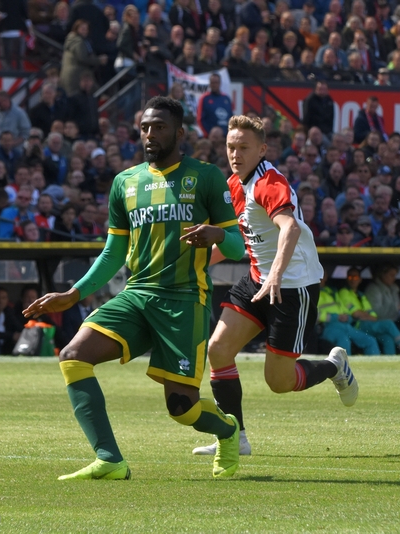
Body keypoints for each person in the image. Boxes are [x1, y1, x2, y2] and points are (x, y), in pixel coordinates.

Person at [23, 96, 245, 480]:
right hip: (137, 295)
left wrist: (215, 235)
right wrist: (73, 295)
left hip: (185, 300)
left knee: (182, 409)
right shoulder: (125, 182)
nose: (149, 134)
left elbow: (238, 246)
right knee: (73, 355)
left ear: (179, 132)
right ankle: (110, 459)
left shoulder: (206, 177)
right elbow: (113, 253)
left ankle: (227, 430)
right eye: (144, 127)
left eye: (158, 127)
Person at [188, 115, 356, 457]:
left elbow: (290, 228)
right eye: (231, 147)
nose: (235, 154)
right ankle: (234, 439)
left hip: (292, 286)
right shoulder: (235, 184)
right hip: (257, 279)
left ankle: (334, 367)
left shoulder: (268, 182)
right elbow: (239, 241)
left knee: (278, 382)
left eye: (243, 147)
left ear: (262, 149)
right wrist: (193, 265)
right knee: (218, 350)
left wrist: (277, 275)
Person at [337, 267, 400, 355]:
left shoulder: (361, 295)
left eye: (355, 278)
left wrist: (364, 315)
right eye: (350, 277)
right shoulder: (343, 292)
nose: (352, 280)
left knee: (387, 338)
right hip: (356, 325)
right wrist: (364, 315)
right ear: (346, 279)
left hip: (367, 325)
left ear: (360, 279)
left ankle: (389, 365)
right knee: (388, 324)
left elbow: (373, 316)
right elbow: (356, 314)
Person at [0, 0, 33, 71]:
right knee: (19, 59)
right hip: (19, 32)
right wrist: (31, 32)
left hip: (6, 32)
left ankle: (8, 77)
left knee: (6, 60)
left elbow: (2, 14)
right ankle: (20, 77)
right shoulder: (22, 1)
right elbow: (26, 17)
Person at [197, 73, 233, 137]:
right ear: (210, 84)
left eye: (216, 82)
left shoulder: (226, 98)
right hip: (210, 136)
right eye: (212, 83)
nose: (214, 85)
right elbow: (200, 119)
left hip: (225, 135)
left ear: (220, 83)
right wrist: (207, 135)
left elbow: (231, 117)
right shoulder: (204, 98)